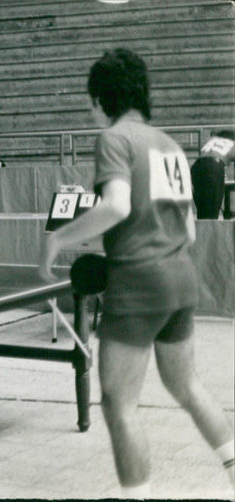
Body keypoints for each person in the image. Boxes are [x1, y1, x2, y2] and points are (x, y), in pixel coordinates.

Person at [38, 49, 234, 497]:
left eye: (91, 101)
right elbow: (187, 229)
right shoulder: (168, 144)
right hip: (181, 279)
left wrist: (58, 239)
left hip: (140, 283)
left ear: (101, 98)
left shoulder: (114, 140)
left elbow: (117, 206)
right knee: (186, 385)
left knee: (118, 404)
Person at [190, 129, 235, 219]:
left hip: (196, 167)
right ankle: (210, 231)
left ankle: (202, 231)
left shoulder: (212, 140)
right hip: (213, 167)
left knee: (202, 211)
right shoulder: (232, 144)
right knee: (212, 213)